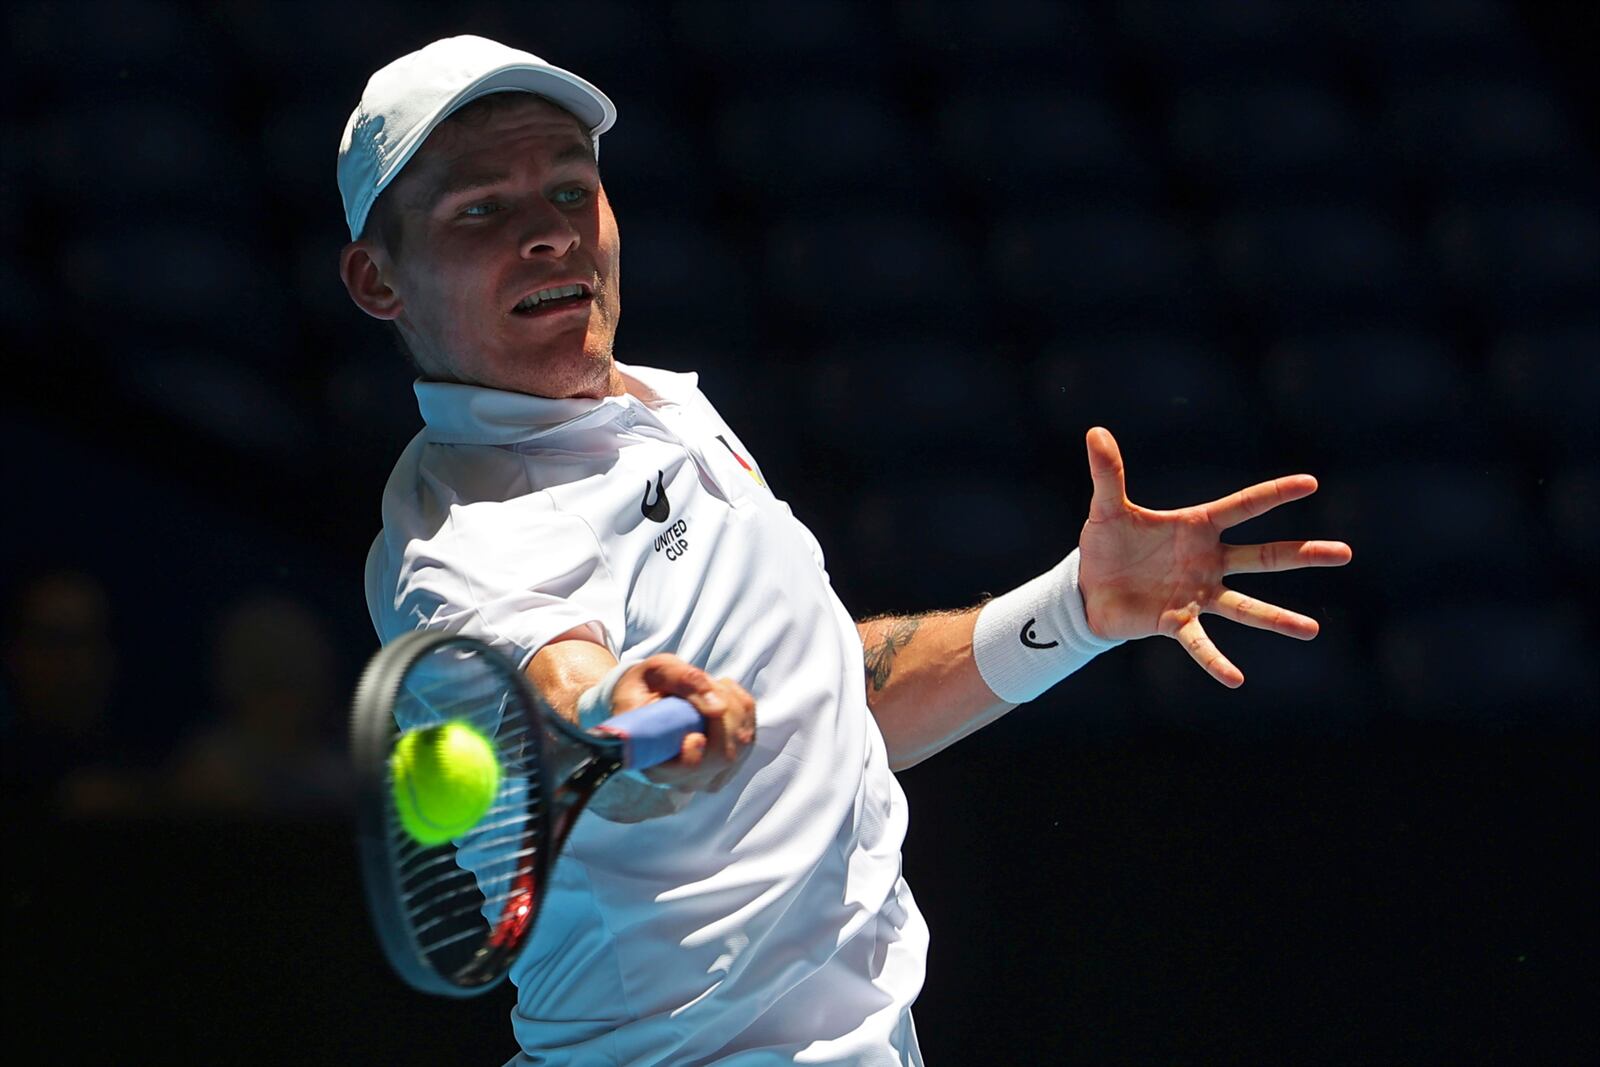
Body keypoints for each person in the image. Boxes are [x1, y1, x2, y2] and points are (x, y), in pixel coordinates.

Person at [339, 36, 1351, 1066]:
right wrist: (627, 713)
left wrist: (1076, 609)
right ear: (378, 281)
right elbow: (566, 688)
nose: (548, 236)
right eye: (479, 211)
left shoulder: (661, 406)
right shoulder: (465, 542)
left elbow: (832, 702)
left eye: (567, 190)